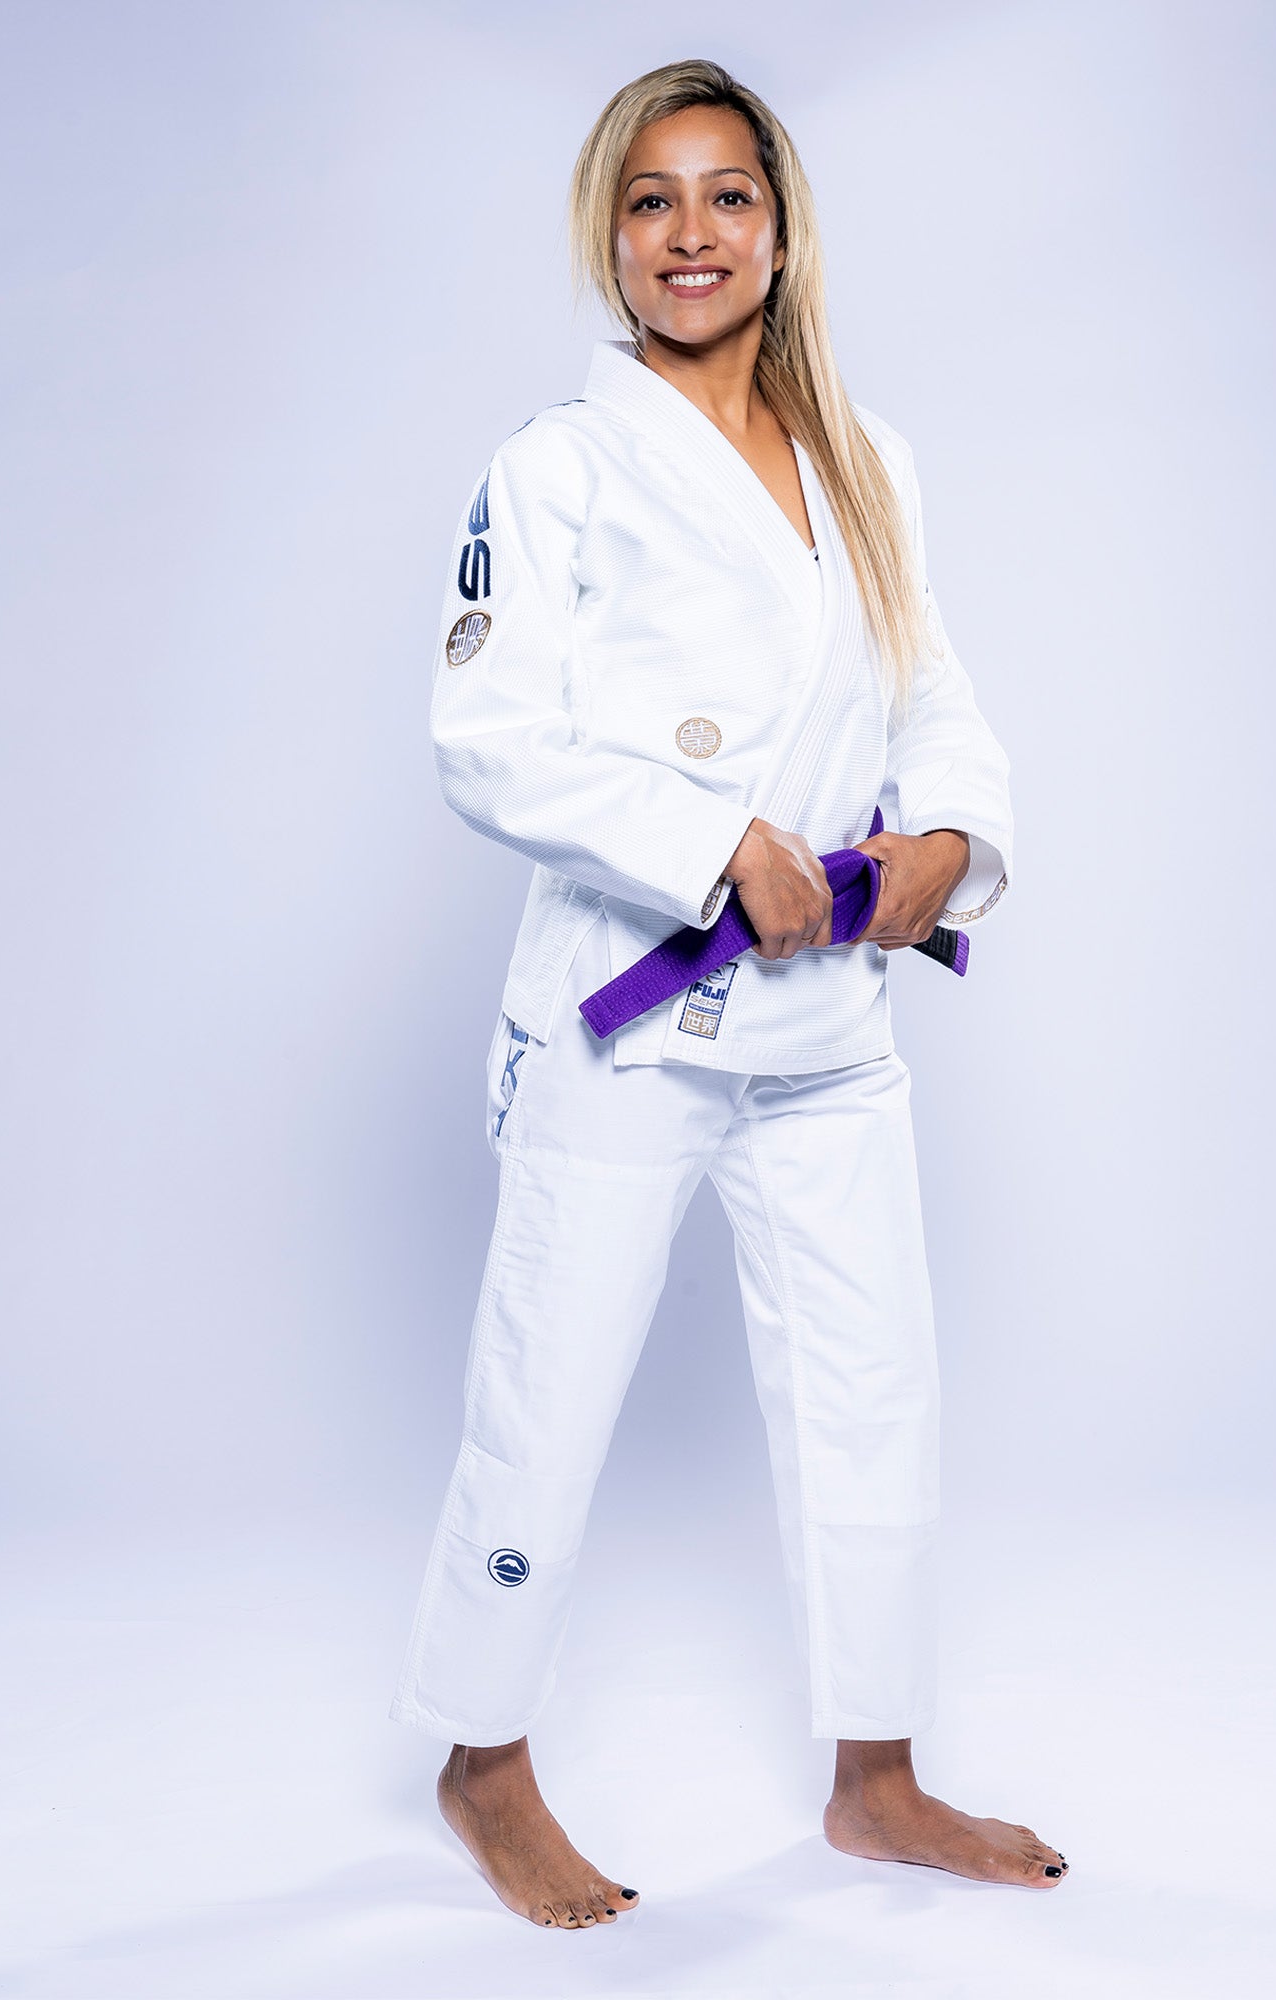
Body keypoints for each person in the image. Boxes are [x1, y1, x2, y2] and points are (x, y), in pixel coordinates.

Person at [390, 59, 1066, 1929]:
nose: (693, 236)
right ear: (610, 234)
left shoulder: (868, 456)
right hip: (633, 1009)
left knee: (877, 1395)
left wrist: (950, 840)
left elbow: (934, 698)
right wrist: (713, 846)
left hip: (832, 1016)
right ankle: (480, 1755)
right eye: (653, 202)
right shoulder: (554, 467)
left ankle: (878, 1775)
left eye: (729, 200)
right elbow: (487, 736)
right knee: (549, 1390)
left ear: (780, 231)